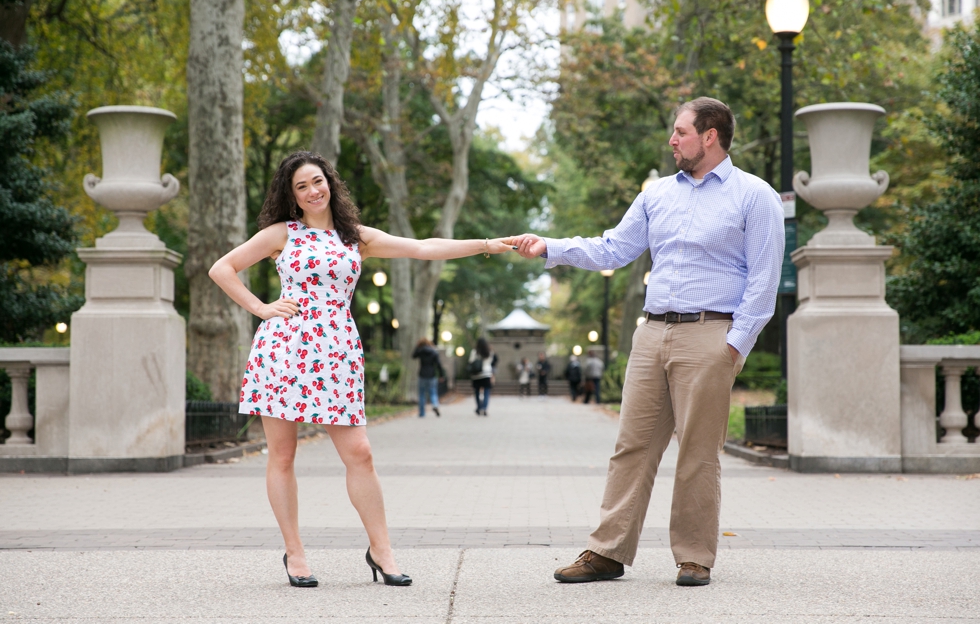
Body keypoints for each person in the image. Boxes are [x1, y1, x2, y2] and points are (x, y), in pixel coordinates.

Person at [209, 150, 515, 588]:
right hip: (284, 350)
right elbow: (222, 268)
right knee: (282, 454)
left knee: (361, 453)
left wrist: (487, 245)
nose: (313, 191)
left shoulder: (356, 238)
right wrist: (261, 307)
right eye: (301, 186)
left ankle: (382, 552)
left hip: (336, 353)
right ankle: (295, 554)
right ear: (291, 196)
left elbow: (423, 248)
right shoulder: (282, 233)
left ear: (330, 182)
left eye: (317, 181)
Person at [514, 97, 783, 587]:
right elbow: (614, 247)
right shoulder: (657, 194)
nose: (672, 140)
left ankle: (694, 556)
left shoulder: (754, 196)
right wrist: (550, 247)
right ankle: (608, 551)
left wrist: (734, 345)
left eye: (680, 132)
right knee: (631, 446)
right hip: (652, 332)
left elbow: (764, 281)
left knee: (697, 452)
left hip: (711, 334)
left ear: (710, 136)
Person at [412, 338, 444, 417]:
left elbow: (413, 356)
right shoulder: (434, 352)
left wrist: (417, 347)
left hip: (422, 374)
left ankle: (422, 413)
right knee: (433, 392)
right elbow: (438, 364)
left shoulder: (420, 351)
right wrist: (441, 375)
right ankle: (435, 405)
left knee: (422, 394)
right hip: (432, 375)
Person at [469, 337, 497, 415]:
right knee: (486, 392)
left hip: (476, 374)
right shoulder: (489, 352)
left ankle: (479, 407)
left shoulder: (474, 352)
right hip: (486, 373)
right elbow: (491, 362)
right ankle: (484, 408)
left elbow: (471, 361)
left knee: (477, 392)